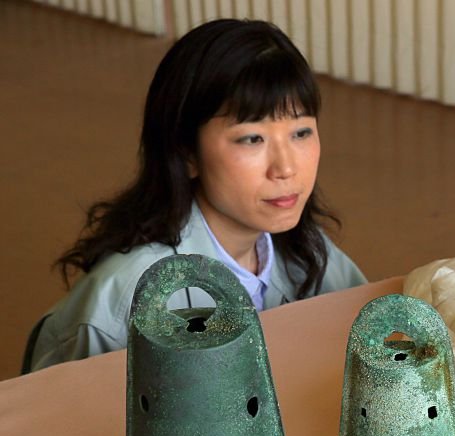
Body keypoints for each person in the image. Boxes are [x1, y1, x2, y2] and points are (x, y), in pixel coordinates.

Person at [27, 19, 366, 372]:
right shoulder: (127, 300)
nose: (285, 168)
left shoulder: (306, 250)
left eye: (300, 133)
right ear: (187, 152)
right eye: (252, 139)